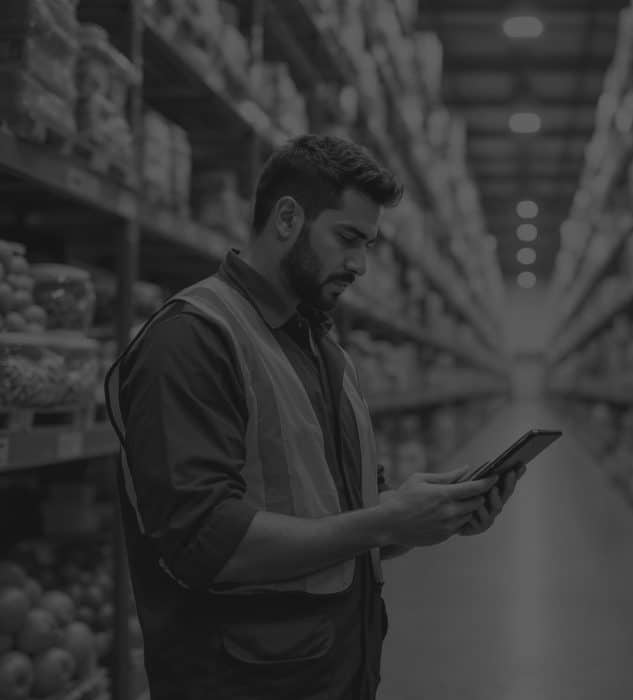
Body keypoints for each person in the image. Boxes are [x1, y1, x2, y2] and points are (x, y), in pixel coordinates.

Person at [104, 135, 525, 700]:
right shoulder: (193, 338)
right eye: (348, 238)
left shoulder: (325, 352)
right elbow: (205, 542)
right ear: (286, 218)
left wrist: (427, 515)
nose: (360, 265)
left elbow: (345, 522)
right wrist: (385, 522)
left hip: (330, 674)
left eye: (369, 244)